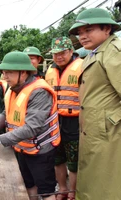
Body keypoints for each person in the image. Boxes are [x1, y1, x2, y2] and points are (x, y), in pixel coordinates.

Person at [0, 51, 61, 200]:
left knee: (46, 191)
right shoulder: (13, 88)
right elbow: (5, 114)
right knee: (29, 184)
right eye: (3, 72)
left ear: (23, 73)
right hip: (22, 147)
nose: (4, 77)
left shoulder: (39, 91)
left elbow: (32, 128)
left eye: (9, 72)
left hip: (40, 151)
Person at [69, 8, 121, 200]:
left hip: (108, 134)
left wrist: (109, 121)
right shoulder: (94, 54)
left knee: (105, 186)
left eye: (88, 30)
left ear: (107, 29)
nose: (82, 36)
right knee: (93, 183)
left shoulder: (114, 52)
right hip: (94, 131)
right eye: (80, 33)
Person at [45, 36, 82, 200]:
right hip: (54, 121)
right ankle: (62, 188)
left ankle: (73, 192)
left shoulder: (82, 67)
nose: (59, 56)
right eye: (55, 53)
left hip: (74, 121)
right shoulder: (50, 71)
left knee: (74, 161)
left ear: (71, 51)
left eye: (63, 53)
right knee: (57, 158)